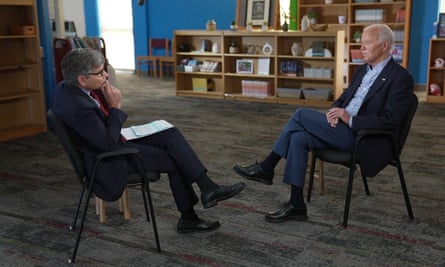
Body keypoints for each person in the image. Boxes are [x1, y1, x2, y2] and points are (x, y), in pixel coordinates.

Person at [233, 24, 414, 223]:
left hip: (362, 137)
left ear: (384, 45)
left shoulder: (400, 78)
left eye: (367, 43)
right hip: (340, 128)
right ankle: (296, 205)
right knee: (298, 138)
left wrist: (349, 119)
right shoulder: (362, 71)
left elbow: (390, 121)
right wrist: (333, 112)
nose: (361, 47)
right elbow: (343, 99)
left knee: (301, 114)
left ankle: (267, 168)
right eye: (361, 43)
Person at [52, 48, 245, 233]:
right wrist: (115, 107)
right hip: (108, 162)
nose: (106, 76)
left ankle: (207, 187)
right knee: (176, 158)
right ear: (82, 80)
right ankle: (189, 217)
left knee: (170, 133)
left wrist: (106, 98)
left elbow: (100, 131)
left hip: (109, 142)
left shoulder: (68, 88)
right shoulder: (78, 108)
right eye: (100, 73)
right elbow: (107, 145)